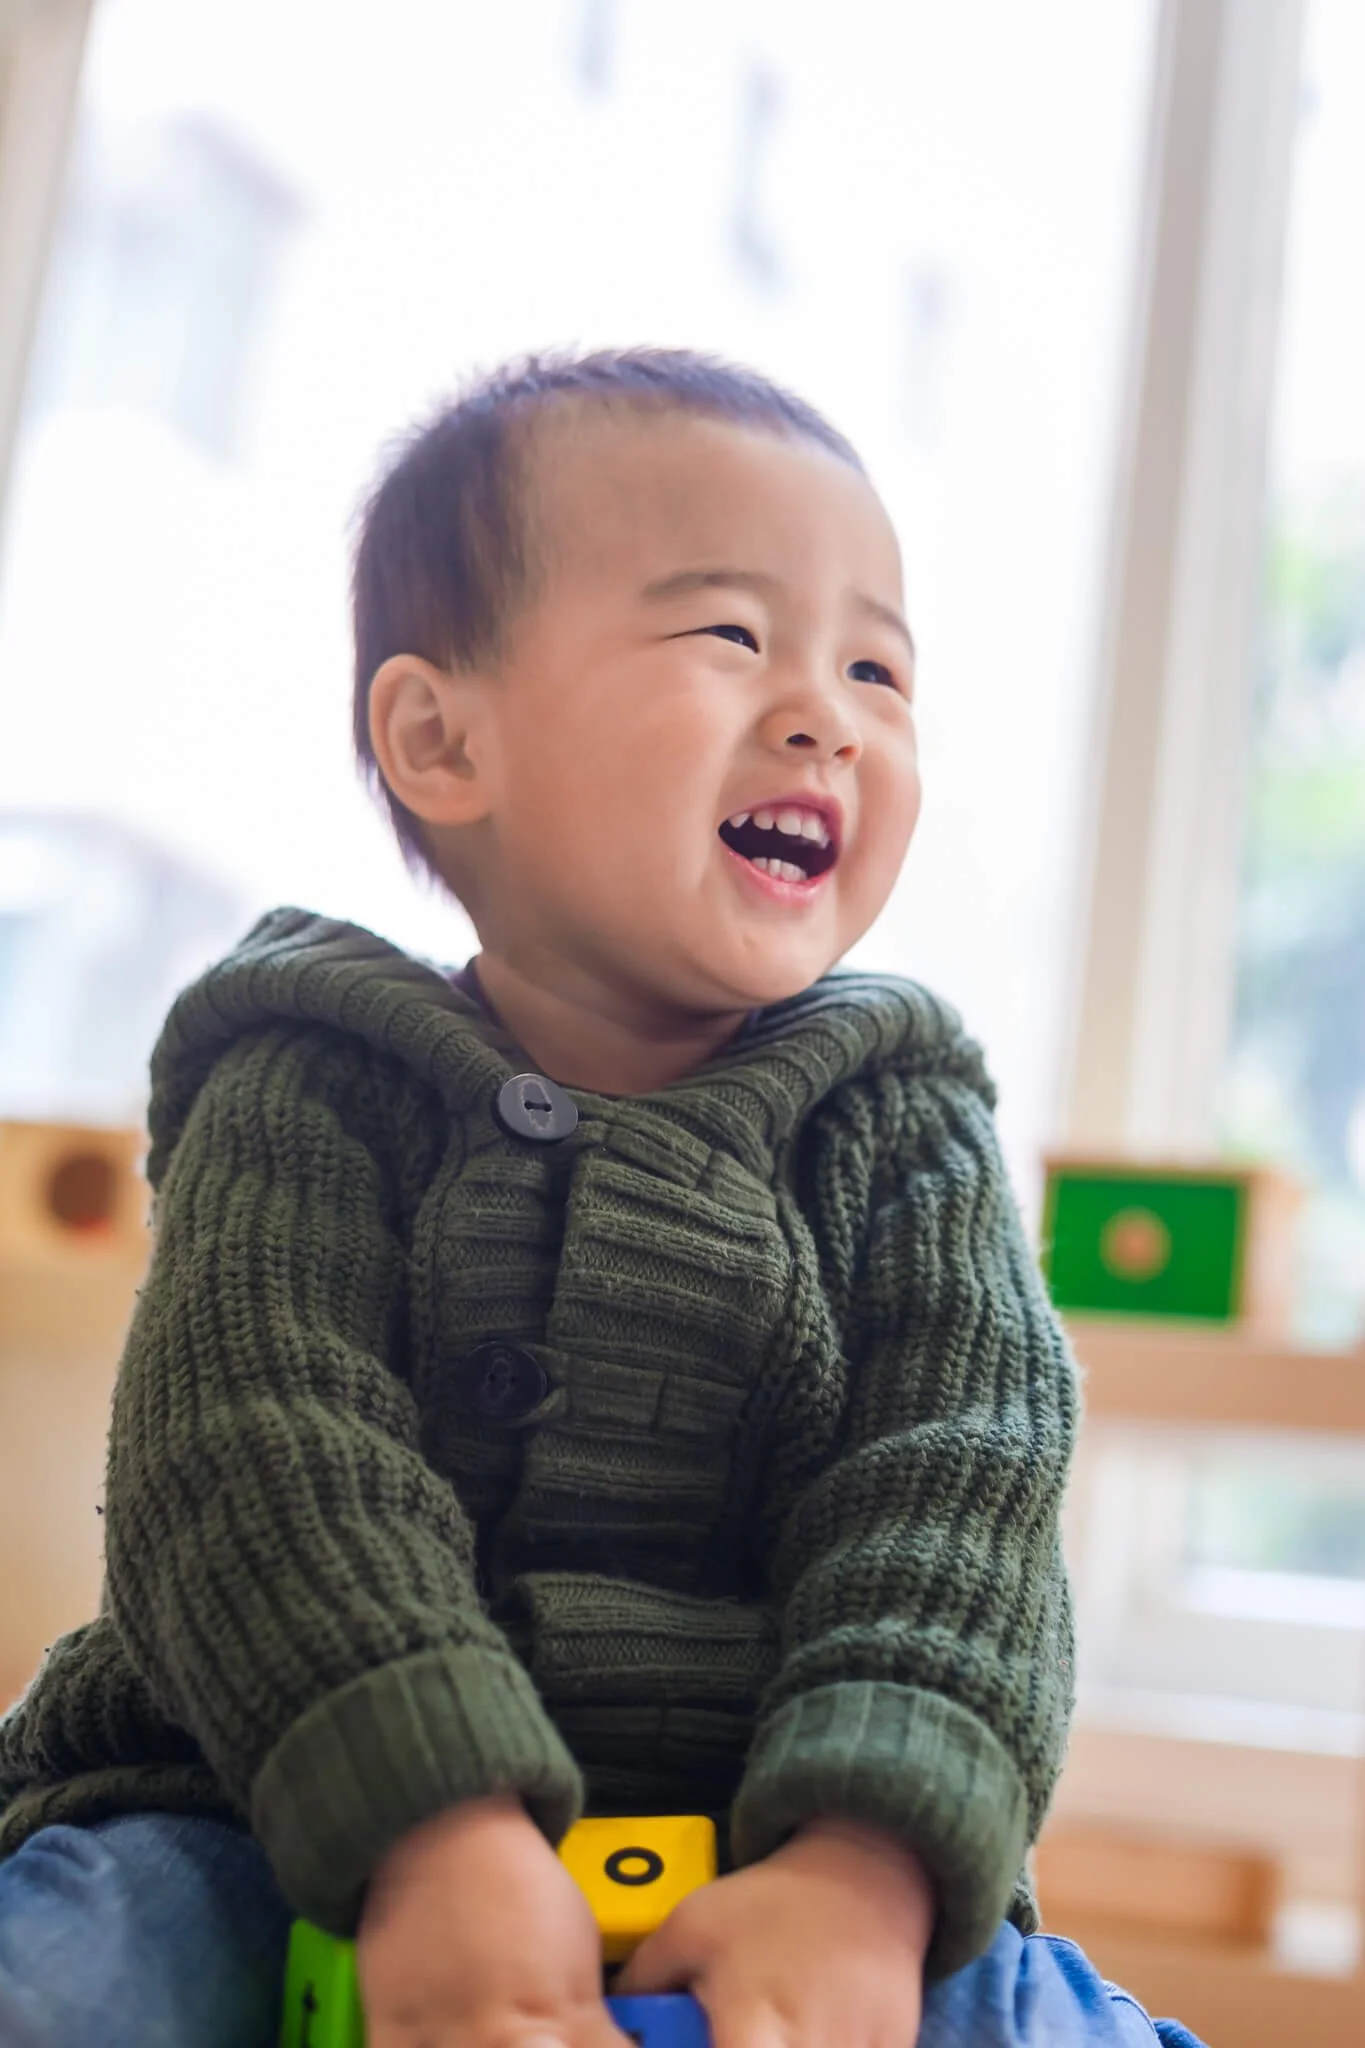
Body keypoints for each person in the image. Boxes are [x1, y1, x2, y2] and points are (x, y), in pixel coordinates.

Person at [0, 349, 1203, 2048]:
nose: (825, 713)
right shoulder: (311, 1073)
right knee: (62, 1980)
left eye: (877, 666)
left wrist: (867, 1868)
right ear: (442, 737)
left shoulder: (902, 1121)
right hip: (266, 1807)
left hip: (792, 1838)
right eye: (732, 636)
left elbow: (962, 1496)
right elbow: (258, 1450)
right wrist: (429, 1828)